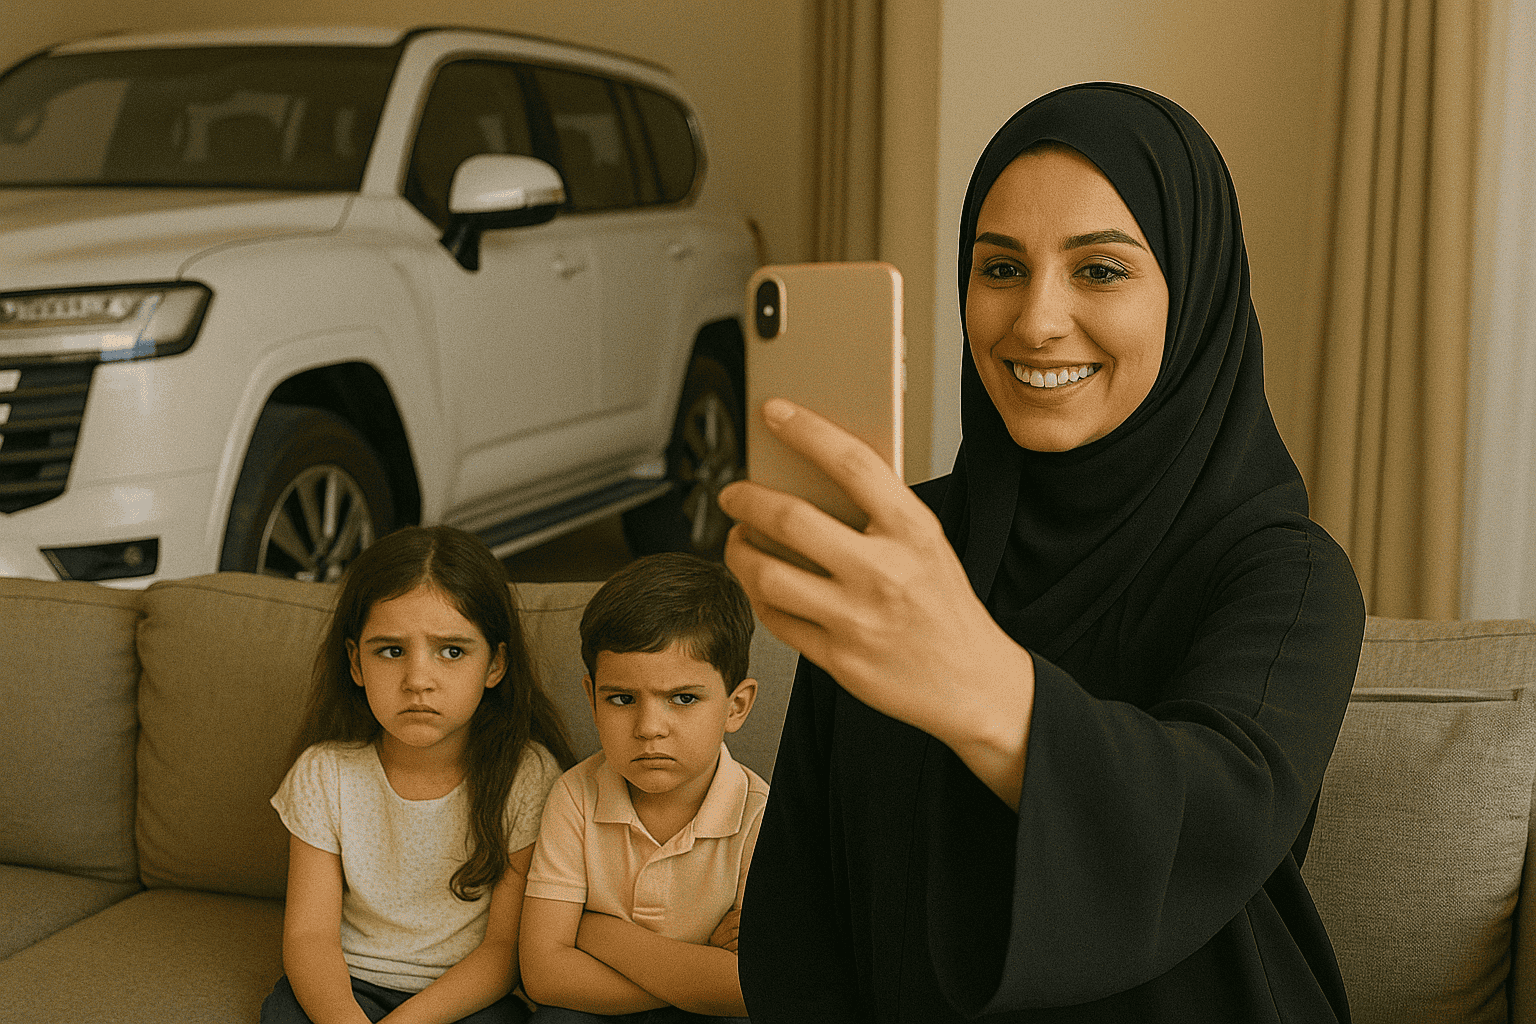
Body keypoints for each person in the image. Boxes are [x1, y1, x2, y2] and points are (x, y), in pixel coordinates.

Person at [720, 83, 1367, 1021]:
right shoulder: (904, 547)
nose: (1034, 323)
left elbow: (1216, 813)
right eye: (1000, 269)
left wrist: (979, 684)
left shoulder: (1284, 572)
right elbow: (811, 892)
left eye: (1100, 271)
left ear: (1194, 295)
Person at [262, 525, 575, 1024]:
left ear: (495, 664)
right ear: (355, 662)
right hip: (350, 984)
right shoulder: (324, 774)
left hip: (467, 998)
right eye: (391, 650)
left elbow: (503, 952)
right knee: (284, 1011)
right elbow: (309, 937)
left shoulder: (527, 776)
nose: (418, 681)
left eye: (452, 651)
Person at [519, 552, 765, 1022]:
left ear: (736, 706)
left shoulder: (759, 815)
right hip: (593, 1011)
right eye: (623, 699)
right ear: (592, 699)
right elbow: (545, 974)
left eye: (683, 698)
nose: (650, 728)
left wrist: (597, 933)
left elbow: (748, 988)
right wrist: (697, 976)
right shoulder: (575, 796)